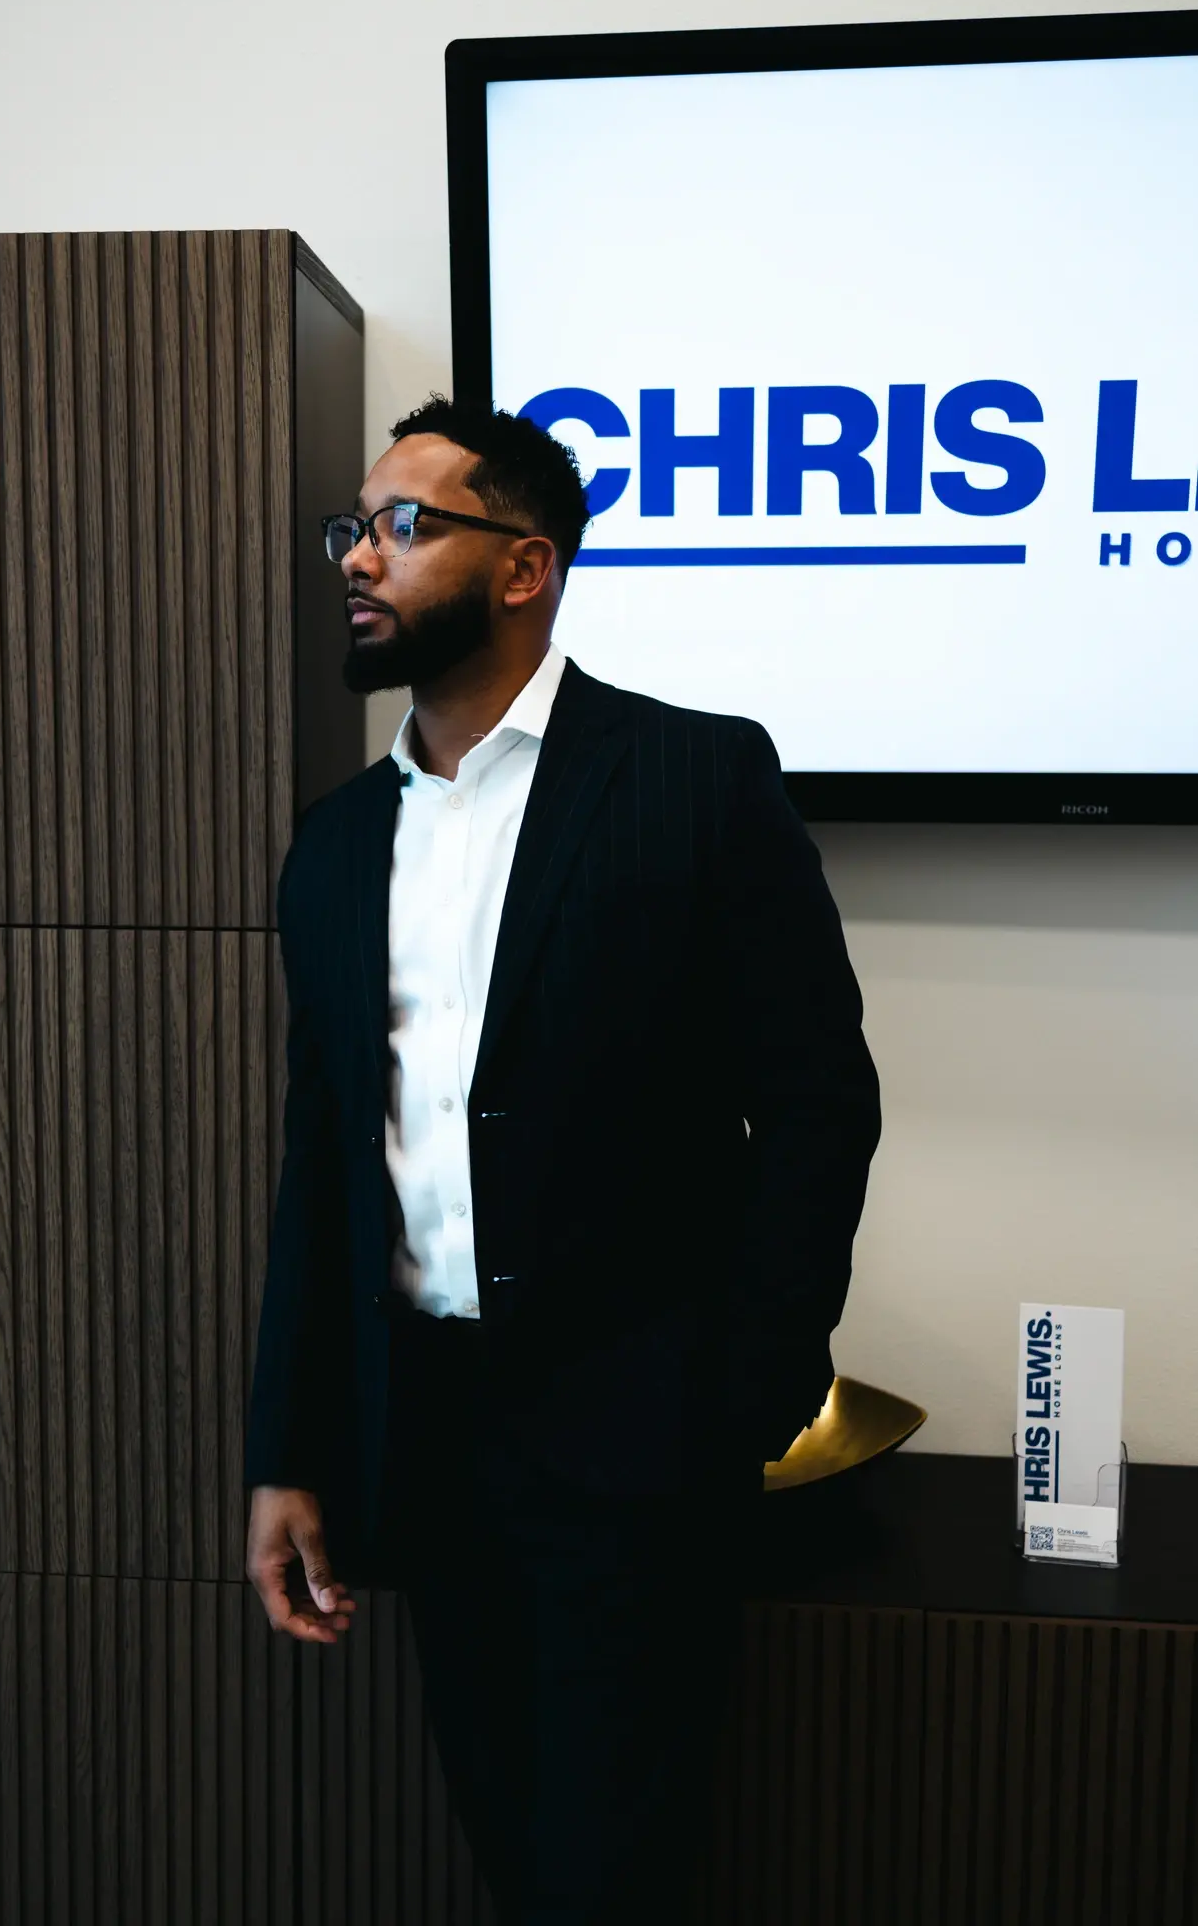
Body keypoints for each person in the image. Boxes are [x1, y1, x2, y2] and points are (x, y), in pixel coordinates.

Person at [245, 395, 881, 1924]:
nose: (360, 555)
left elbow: (817, 1106)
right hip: (426, 1450)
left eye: (403, 525)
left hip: (641, 1453)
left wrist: (744, 1399)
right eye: (355, 526)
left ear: (523, 567)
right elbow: (324, 1169)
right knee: (509, 1853)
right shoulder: (333, 845)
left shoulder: (694, 779)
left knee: (621, 1876)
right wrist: (289, 1449)